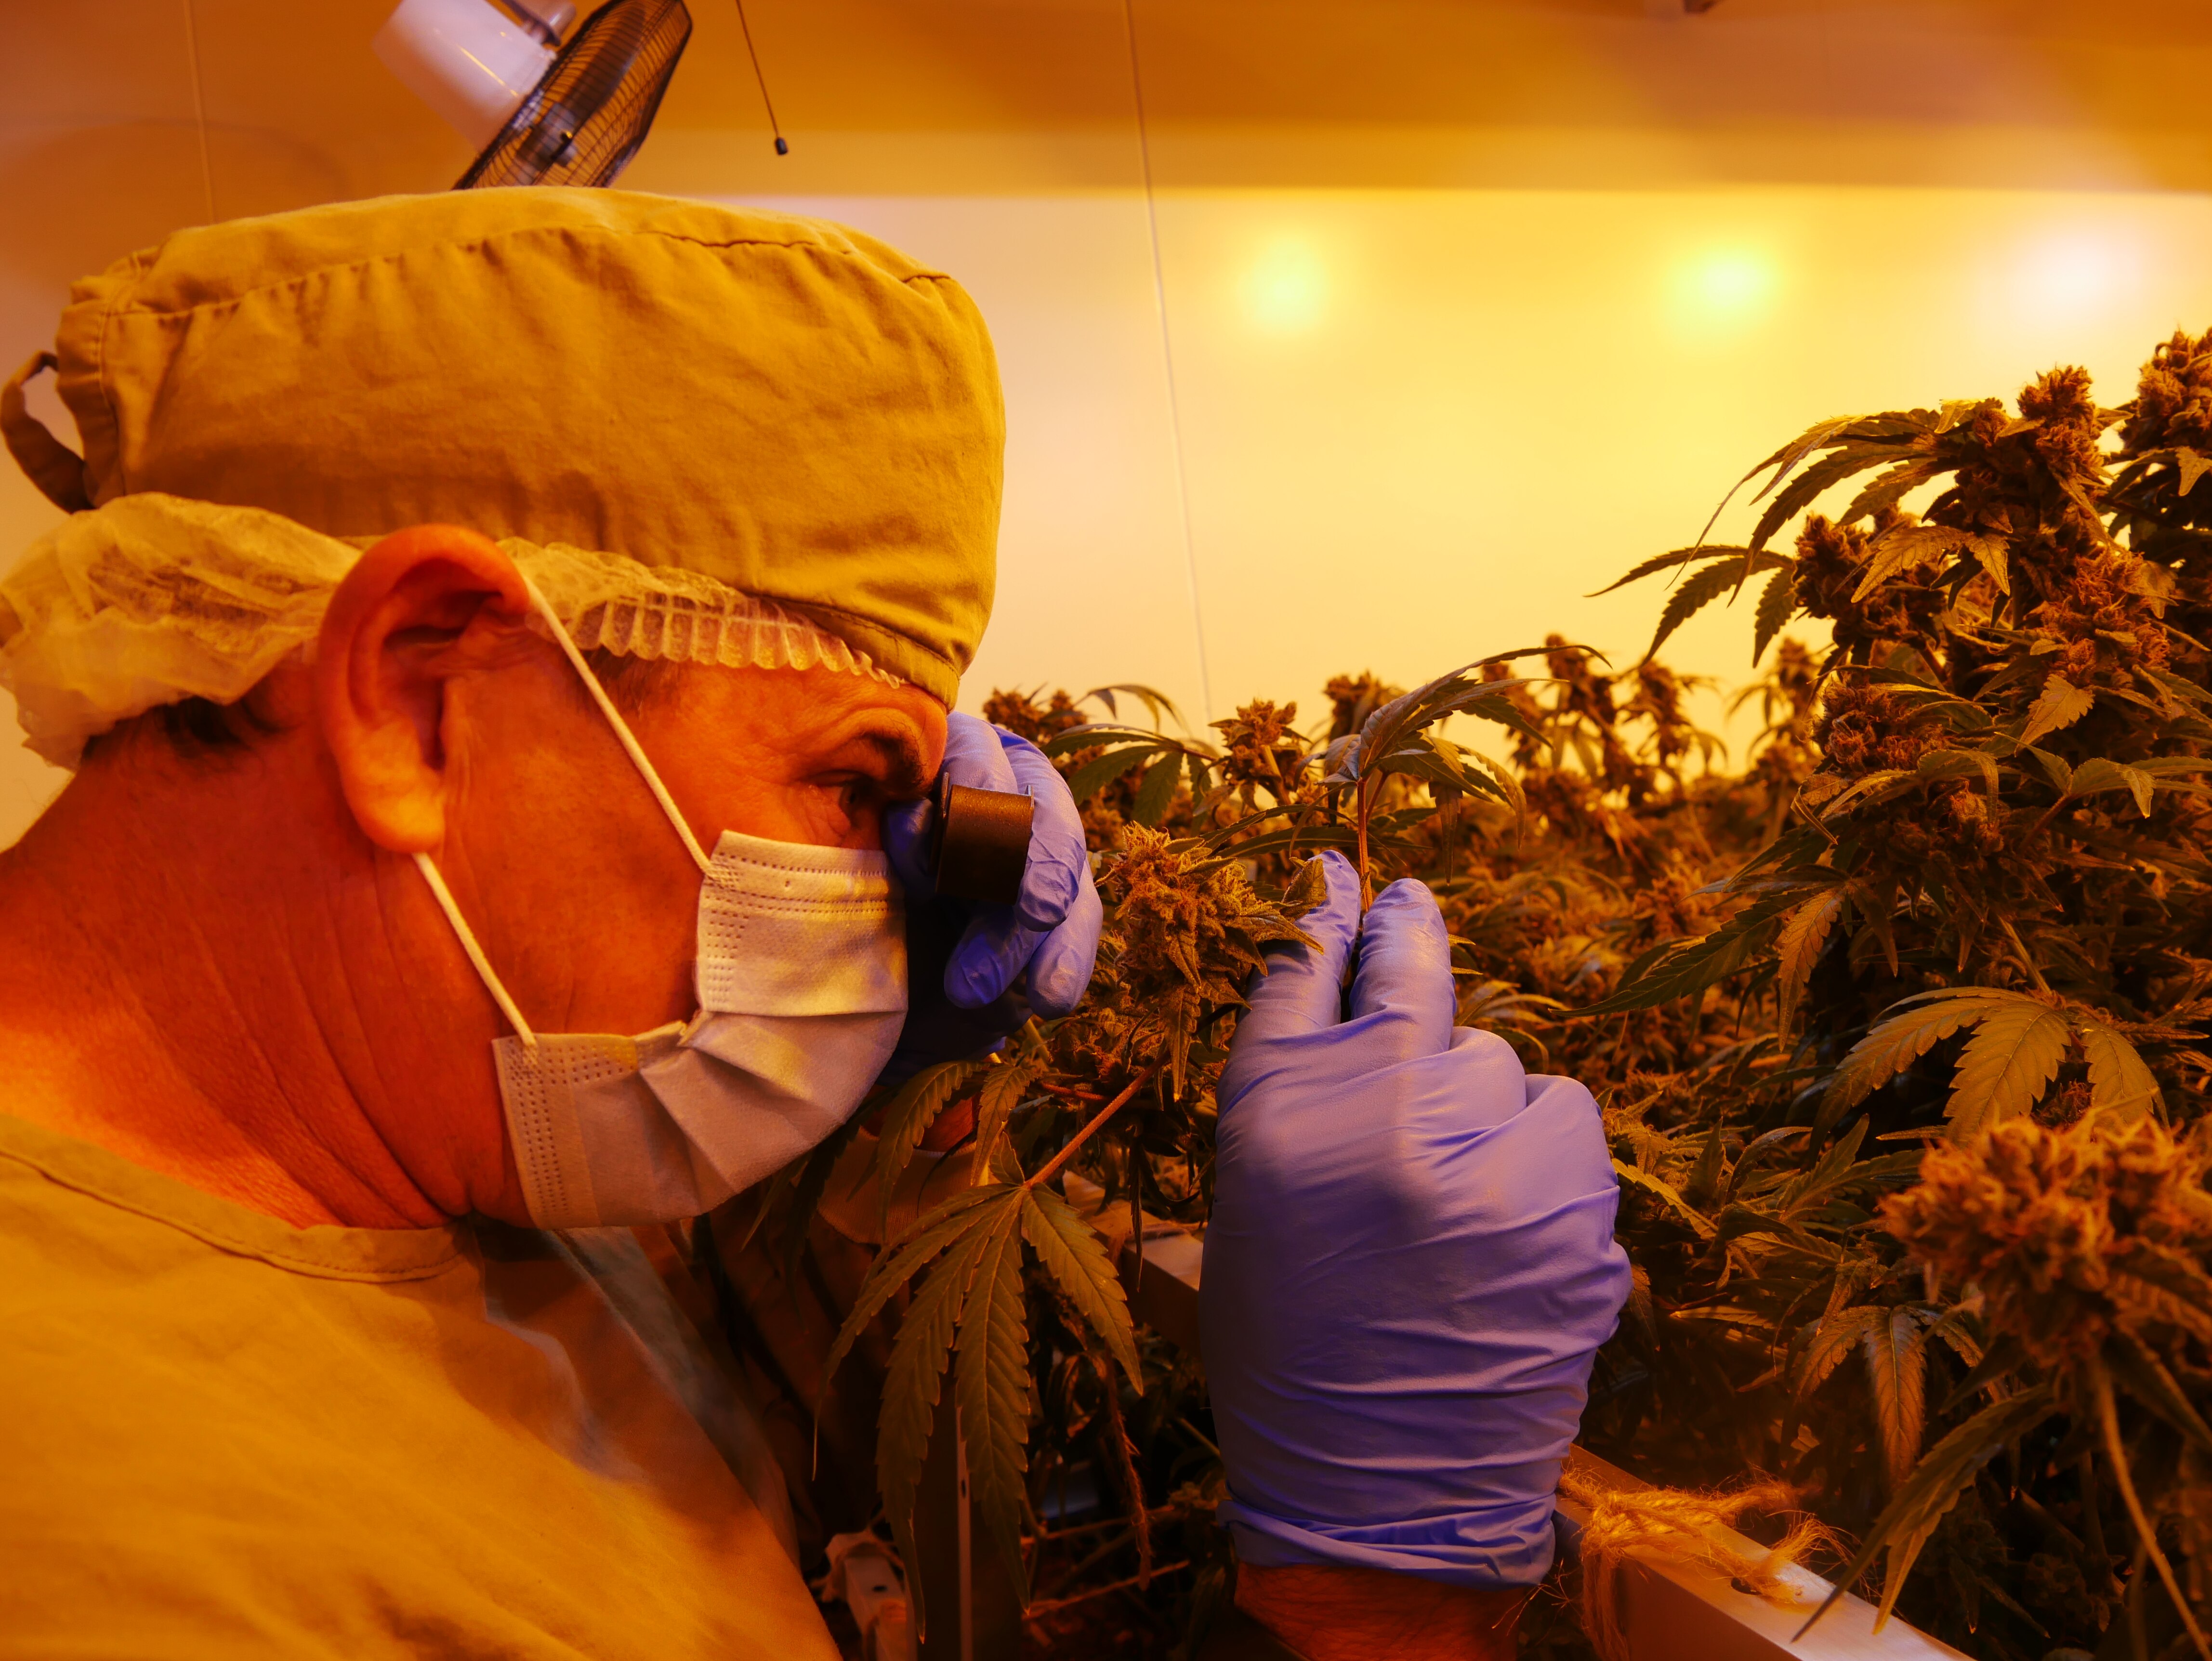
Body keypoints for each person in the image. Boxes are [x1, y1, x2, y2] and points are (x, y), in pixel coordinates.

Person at [0, 188, 1627, 1660]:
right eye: (856, 788)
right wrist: (1374, 1620)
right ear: (420, 696)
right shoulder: (115, 1559)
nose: (883, 881)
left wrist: (873, 1117)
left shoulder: (420, 1131)